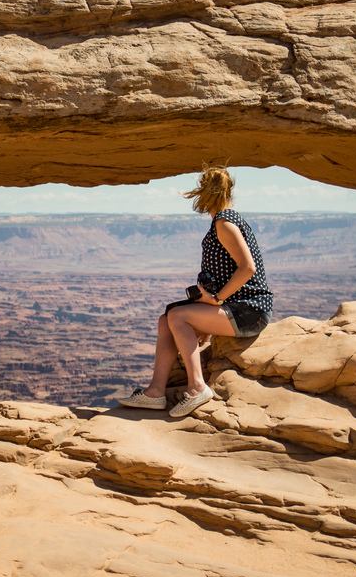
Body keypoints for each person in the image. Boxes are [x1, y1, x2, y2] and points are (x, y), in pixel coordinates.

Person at [118, 163, 275, 418]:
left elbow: (248, 268)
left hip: (249, 311)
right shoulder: (224, 221)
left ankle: (197, 388)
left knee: (178, 317)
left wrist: (216, 300)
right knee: (166, 319)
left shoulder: (225, 223)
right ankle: (155, 393)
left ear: (205, 193)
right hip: (235, 307)